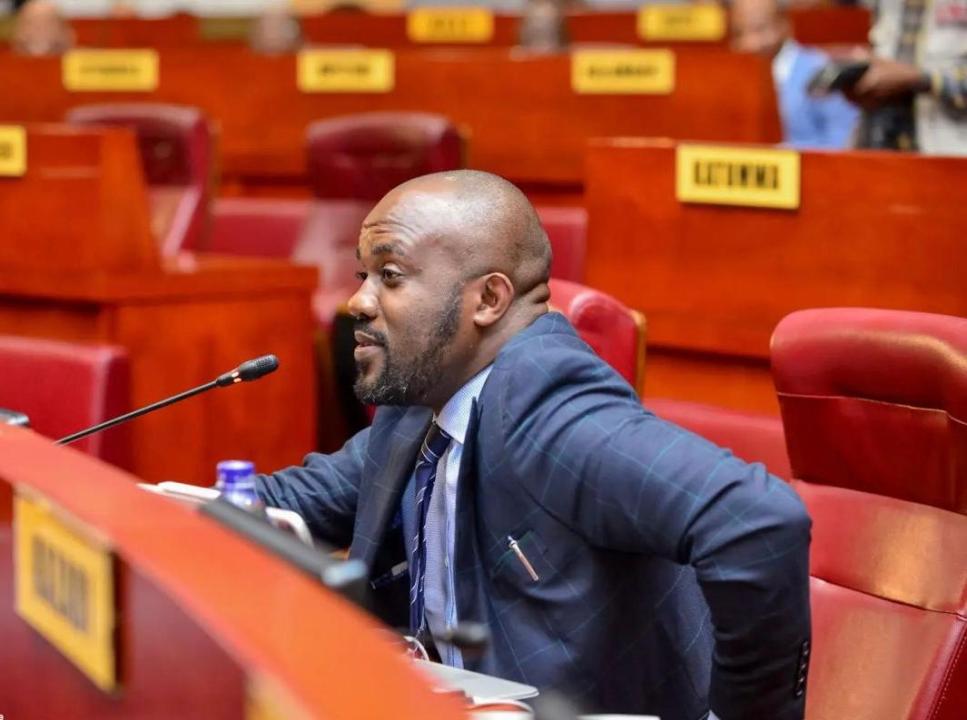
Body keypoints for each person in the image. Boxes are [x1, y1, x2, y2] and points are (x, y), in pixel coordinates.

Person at [256, 170, 812, 720]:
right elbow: (298, 498)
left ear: (489, 299)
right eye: (362, 275)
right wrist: (175, 513)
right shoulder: (424, 400)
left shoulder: (549, 407)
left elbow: (758, 523)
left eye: (390, 276)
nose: (358, 301)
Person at [731, 0, 860, 149]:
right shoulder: (732, 77)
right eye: (738, 34)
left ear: (784, 25)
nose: (749, 43)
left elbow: (842, 142)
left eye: (760, 29)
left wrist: (782, 153)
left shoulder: (819, 70)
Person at [847, 0, 967, 155]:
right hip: (884, 148)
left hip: (952, 153)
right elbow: (881, 54)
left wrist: (921, 79)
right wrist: (864, 80)